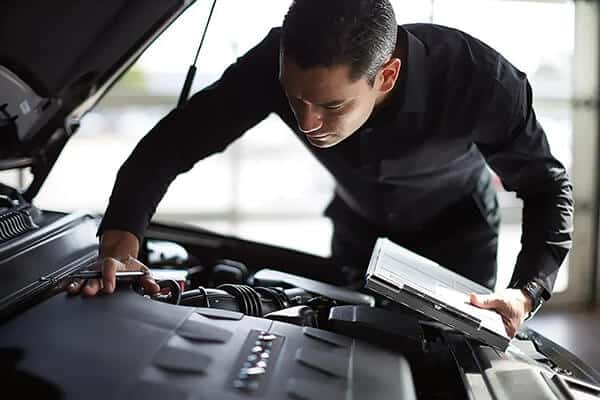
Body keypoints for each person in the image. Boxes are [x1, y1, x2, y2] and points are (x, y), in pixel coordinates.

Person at [68, 0, 573, 338]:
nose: (308, 123)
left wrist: (525, 291)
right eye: (295, 99)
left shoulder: (480, 80)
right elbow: (170, 145)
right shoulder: (273, 63)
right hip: (359, 227)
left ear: (386, 76)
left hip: (458, 232)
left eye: (331, 106)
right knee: (345, 343)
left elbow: (546, 185)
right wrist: (120, 243)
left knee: (446, 363)